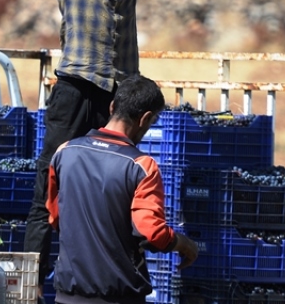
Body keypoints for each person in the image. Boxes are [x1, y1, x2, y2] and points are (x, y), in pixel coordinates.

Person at [25, 0, 189, 282]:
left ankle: (115, 280)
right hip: (76, 90)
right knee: (50, 193)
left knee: (117, 192)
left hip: (117, 100)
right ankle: (31, 287)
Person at [45, 74, 200, 304]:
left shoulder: (64, 152)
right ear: (145, 119)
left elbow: (55, 216)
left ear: (112, 106)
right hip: (118, 296)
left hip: (67, 295)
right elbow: (152, 233)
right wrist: (185, 244)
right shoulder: (141, 166)